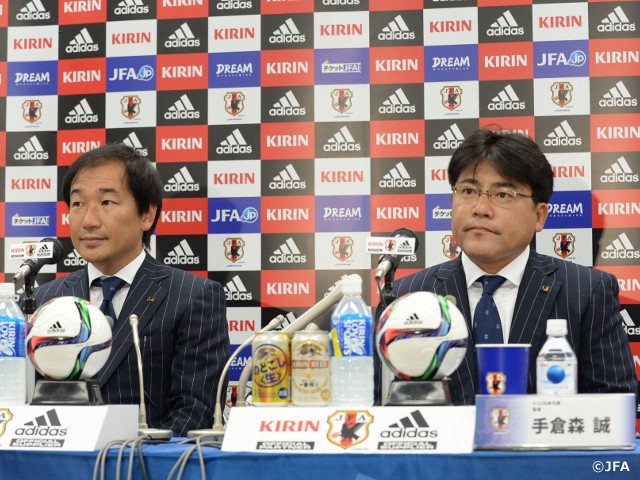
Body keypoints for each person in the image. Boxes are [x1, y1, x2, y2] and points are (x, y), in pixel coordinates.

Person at [376, 128, 638, 405]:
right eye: (468, 191)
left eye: (502, 194)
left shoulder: (586, 291)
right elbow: (379, 403)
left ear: (539, 216)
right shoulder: (407, 297)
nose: (480, 207)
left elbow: (615, 406)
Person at [28, 144, 230, 437]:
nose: (89, 220)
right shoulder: (45, 300)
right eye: (78, 204)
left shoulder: (193, 296)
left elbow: (195, 414)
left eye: (107, 202)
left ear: (147, 214)